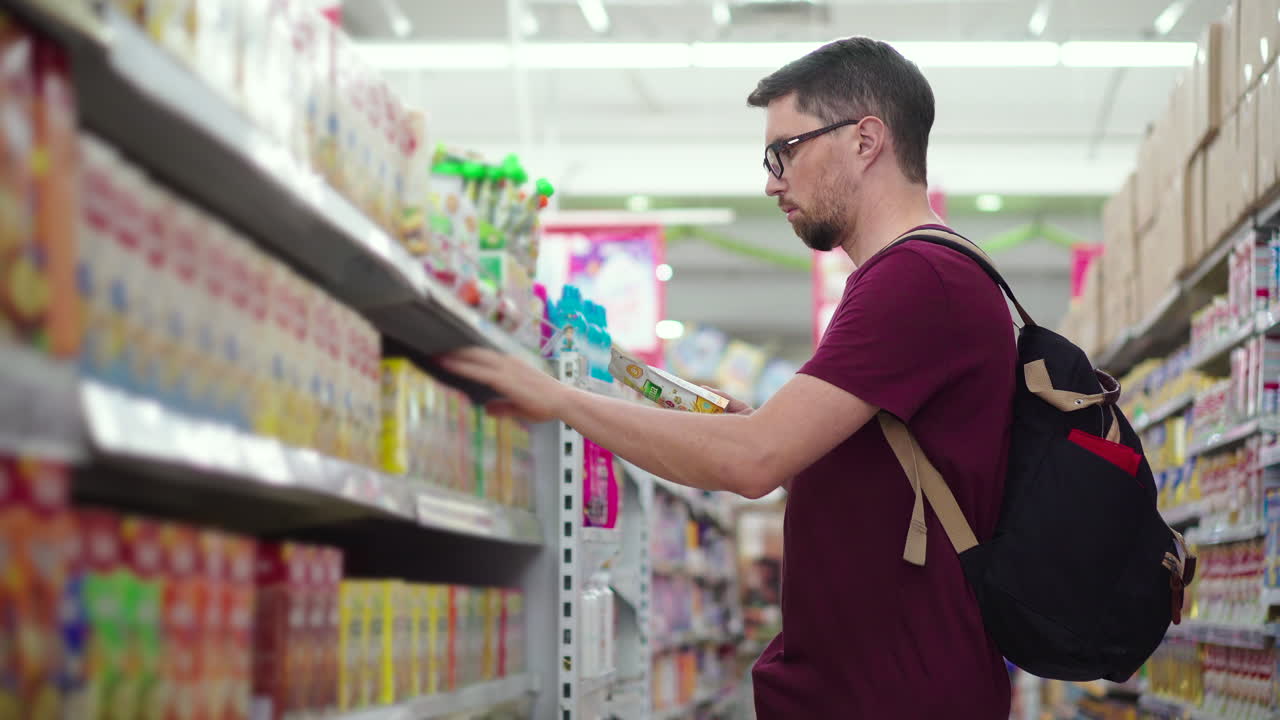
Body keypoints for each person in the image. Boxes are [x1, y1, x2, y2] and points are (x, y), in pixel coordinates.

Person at [440, 36, 1014, 719]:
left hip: (894, 697)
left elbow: (753, 464)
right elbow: (837, 466)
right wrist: (758, 427)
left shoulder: (917, 278)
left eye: (786, 151)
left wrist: (559, 398)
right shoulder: (915, 277)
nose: (773, 180)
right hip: (888, 686)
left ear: (866, 140)